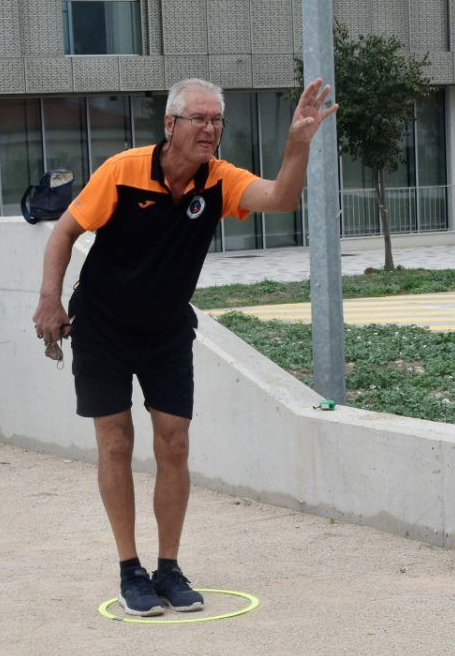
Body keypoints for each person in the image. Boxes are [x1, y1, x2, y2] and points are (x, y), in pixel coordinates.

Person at [31, 77, 339, 617]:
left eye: (218, 119)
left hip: (167, 328)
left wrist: (298, 144)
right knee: (115, 443)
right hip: (102, 324)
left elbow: (282, 198)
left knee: (174, 444)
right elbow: (63, 232)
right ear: (170, 125)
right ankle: (130, 570)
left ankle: (168, 568)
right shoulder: (123, 171)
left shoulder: (218, 181)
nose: (211, 129)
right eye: (200, 118)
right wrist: (50, 302)